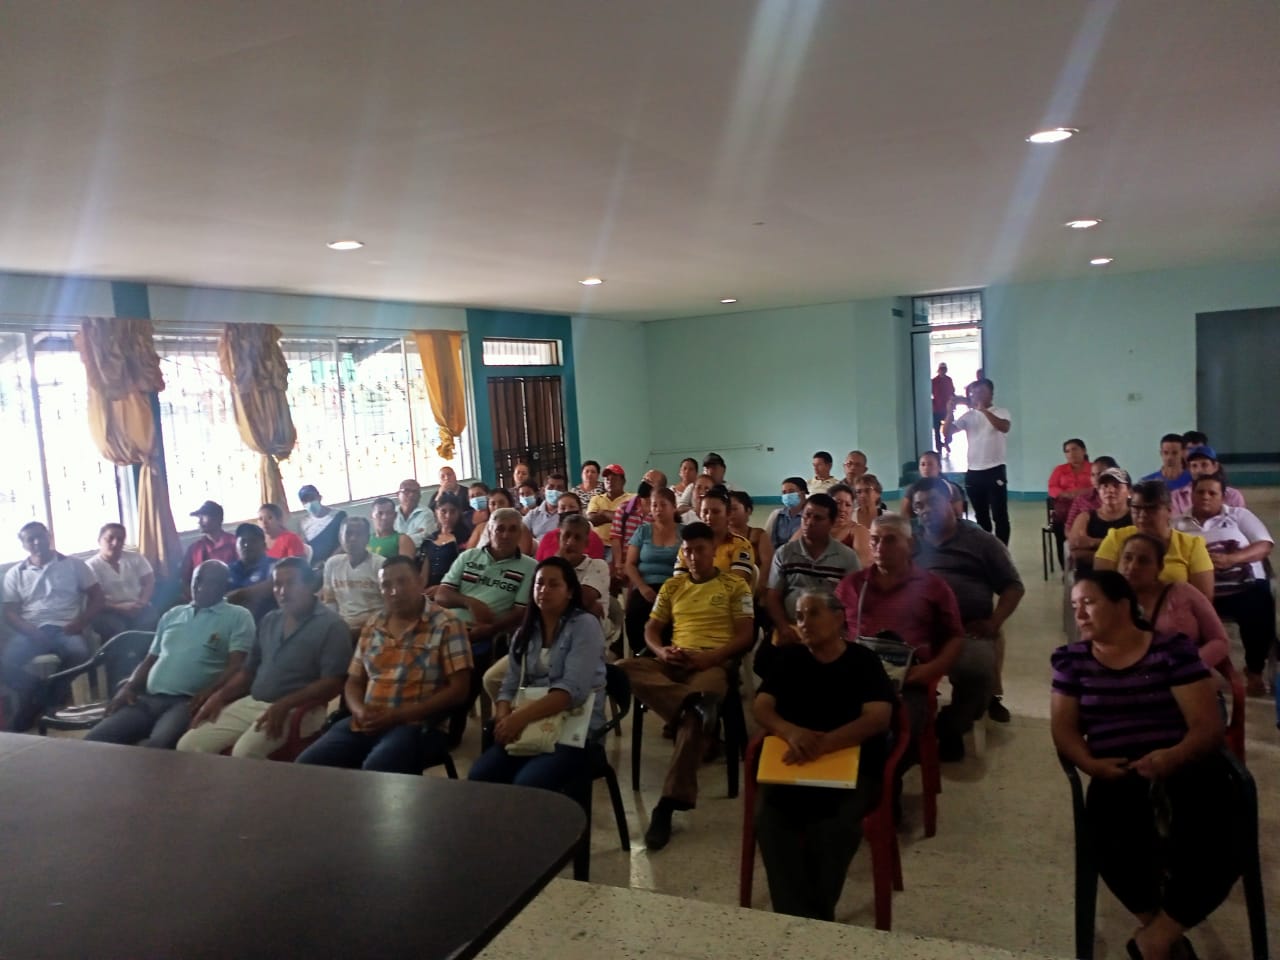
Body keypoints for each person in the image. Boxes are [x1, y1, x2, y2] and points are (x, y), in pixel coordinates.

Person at [1051, 571, 1236, 960]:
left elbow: (1206, 725)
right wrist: (1090, 764)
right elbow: (1064, 728)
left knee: (1224, 828)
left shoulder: (1171, 651)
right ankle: (1159, 930)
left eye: (1089, 603)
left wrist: (1174, 755)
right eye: (1074, 605)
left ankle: (1157, 937)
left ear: (1122, 605)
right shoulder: (1073, 661)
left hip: (1184, 761)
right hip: (1117, 770)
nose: (1079, 614)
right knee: (1110, 833)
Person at [753, 589, 895, 921]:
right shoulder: (789, 659)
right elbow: (761, 706)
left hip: (851, 765)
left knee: (834, 828)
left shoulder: (863, 661)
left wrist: (825, 743)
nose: (804, 623)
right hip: (794, 762)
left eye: (814, 613)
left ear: (838, 617)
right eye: (799, 616)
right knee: (771, 821)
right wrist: (790, 732)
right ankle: (796, 917)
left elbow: (878, 717)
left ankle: (814, 919)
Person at [621, 522, 755, 850]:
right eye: (688, 551)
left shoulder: (735, 586)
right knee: (621, 669)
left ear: (713, 551)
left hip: (712, 664)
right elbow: (652, 630)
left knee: (695, 717)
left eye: (700, 550)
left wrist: (710, 658)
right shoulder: (673, 586)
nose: (693, 557)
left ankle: (667, 805)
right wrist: (661, 651)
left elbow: (745, 636)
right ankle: (688, 702)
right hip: (673, 661)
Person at [296, 556, 472, 773]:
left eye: (402, 581)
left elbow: (459, 690)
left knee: (376, 772)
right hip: (367, 721)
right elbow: (354, 681)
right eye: (386, 585)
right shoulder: (374, 624)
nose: (394, 591)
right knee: (307, 765)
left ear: (420, 582)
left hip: (417, 725)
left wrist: (398, 715)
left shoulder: (448, 624)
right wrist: (359, 711)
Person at [176, 559, 351, 757]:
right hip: (254, 702)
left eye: (291, 583)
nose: (282, 591)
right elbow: (248, 672)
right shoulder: (269, 620)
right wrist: (218, 697)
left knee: (244, 753)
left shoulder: (332, 626)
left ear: (310, 585)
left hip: (300, 709)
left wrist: (286, 703)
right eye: (277, 584)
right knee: (189, 745)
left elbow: (333, 682)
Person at [834, 515, 968, 757]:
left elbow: (955, 637)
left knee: (895, 736)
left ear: (911, 544)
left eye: (890, 540)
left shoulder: (933, 587)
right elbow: (834, 629)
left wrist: (932, 669)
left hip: (908, 681)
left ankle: (881, 774)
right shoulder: (851, 585)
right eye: (874, 540)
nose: (879, 547)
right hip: (856, 676)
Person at [469, 557, 607, 791]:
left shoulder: (585, 625)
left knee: (528, 784)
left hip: (575, 730)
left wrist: (519, 718)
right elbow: (509, 685)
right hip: (530, 725)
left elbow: (571, 691)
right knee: (480, 775)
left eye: (554, 584)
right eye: (539, 583)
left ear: (570, 592)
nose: (544, 590)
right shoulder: (525, 632)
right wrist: (503, 717)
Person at [85, 560, 253, 749]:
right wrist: (129, 686)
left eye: (210, 581)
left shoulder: (238, 616)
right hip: (148, 698)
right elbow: (150, 659)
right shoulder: (173, 614)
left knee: (157, 748)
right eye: (197, 579)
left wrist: (211, 691)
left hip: (186, 703)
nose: (199, 586)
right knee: (94, 740)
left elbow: (237, 666)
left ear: (224, 586)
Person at [912, 477, 1024, 738]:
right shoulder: (911, 544)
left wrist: (994, 622)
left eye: (932, 502)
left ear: (951, 502)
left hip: (967, 629)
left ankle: (954, 723)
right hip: (918, 629)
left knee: (976, 671)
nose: (926, 510)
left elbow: (1013, 586)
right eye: (919, 506)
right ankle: (914, 722)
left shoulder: (981, 542)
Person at [480, 515, 610, 707]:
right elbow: (538, 603)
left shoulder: (597, 565)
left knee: (559, 684)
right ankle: (520, 711)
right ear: (558, 538)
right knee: (492, 679)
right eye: (566, 536)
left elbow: (581, 599)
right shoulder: (548, 568)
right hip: (540, 639)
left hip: (578, 639)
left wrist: (583, 602)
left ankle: (531, 712)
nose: (570, 542)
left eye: (577, 538)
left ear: (586, 542)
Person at [1173, 474, 1276, 696]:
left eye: (1212, 493)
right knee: (1179, 614)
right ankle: (1199, 671)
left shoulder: (1238, 516)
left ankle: (1254, 670)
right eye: (1200, 492)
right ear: (1191, 495)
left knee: (1260, 607)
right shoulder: (1178, 524)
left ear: (1223, 496)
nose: (1206, 497)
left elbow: (1264, 544)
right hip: (1199, 590)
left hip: (1242, 585)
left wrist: (1232, 559)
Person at [2, 522, 105, 731]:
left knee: (79, 654)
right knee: (5, 662)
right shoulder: (15, 573)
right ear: (23, 544)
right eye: (30, 539)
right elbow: (10, 612)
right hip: (32, 631)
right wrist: (28, 629)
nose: (37, 542)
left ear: (49, 537)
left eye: (40, 536)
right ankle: (42, 693)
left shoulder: (74, 565)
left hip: (65, 628)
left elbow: (98, 598)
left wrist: (81, 622)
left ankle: (35, 703)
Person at [761, 494, 859, 678]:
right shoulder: (785, 553)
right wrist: (783, 626)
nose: (809, 522)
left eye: (818, 518)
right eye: (807, 516)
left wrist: (839, 632)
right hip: (792, 629)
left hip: (829, 632)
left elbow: (853, 602)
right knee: (767, 662)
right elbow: (773, 595)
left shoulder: (846, 558)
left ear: (831, 523)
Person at [436, 508, 536, 668]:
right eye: (500, 529)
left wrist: (490, 629)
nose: (506, 535)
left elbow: (520, 612)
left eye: (512, 529)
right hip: (448, 627)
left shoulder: (530, 566)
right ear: (489, 532)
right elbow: (441, 595)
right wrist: (470, 603)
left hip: (487, 634)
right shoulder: (468, 556)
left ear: (519, 534)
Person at [1118, 534, 1231, 673]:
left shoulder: (1182, 592)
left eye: (1144, 561)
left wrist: (1185, 669)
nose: (1132, 566)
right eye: (1127, 558)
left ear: (1159, 567)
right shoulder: (1107, 600)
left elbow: (1220, 641)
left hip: (1188, 675)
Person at [1093, 480, 1214, 601]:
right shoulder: (1115, 538)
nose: (1142, 515)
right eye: (1136, 508)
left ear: (1169, 510)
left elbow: (1204, 599)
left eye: (1151, 509)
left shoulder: (1192, 545)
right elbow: (1101, 589)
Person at [944, 377, 1012, 545]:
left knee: (999, 515)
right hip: (974, 472)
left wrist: (984, 411)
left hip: (995, 470)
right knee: (981, 517)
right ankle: (986, 549)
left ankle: (1002, 550)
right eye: (973, 393)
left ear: (991, 394)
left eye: (981, 391)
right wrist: (949, 412)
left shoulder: (1001, 411)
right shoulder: (969, 416)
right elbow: (947, 432)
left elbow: (1004, 427)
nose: (976, 395)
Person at [623, 487, 683, 655]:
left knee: (674, 615)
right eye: (654, 505)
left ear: (674, 507)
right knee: (635, 613)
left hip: (674, 588)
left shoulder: (684, 532)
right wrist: (642, 588)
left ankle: (668, 653)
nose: (658, 509)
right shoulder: (643, 531)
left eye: (663, 505)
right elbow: (630, 564)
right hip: (646, 587)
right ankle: (643, 655)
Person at [86, 522, 156, 638]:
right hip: (108, 610)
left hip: (137, 606)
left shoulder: (135, 558)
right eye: (110, 538)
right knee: (118, 629)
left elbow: (149, 582)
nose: (115, 543)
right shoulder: (90, 566)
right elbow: (92, 599)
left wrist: (142, 603)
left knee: (149, 621)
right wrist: (118, 607)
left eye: (120, 539)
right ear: (99, 540)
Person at [322, 517, 386, 638]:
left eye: (359, 534)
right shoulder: (332, 564)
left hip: (375, 629)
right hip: (342, 629)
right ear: (340, 537)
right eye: (348, 533)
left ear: (367, 538)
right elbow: (330, 601)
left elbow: (389, 605)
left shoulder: (380, 565)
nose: (353, 539)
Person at [679, 485, 755, 585]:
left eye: (716, 512)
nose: (709, 517)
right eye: (705, 512)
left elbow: (736, 586)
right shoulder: (688, 545)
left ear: (728, 514)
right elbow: (678, 582)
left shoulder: (741, 545)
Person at [1067, 467, 1132, 571]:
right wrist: (1118, 554)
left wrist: (1092, 542)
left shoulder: (1136, 518)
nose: (1110, 490)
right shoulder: (1085, 518)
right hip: (1090, 576)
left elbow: (1139, 550)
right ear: (1098, 491)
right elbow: (1076, 552)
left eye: (1116, 486)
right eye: (1105, 486)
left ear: (1129, 491)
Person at [610, 470, 666, 577]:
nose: (644, 483)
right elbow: (615, 537)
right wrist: (618, 564)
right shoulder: (624, 508)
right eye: (643, 479)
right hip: (623, 566)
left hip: (648, 568)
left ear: (660, 489)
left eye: (649, 481)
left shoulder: (660, 514)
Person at [178, 500, 238, 592]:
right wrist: (194, 597)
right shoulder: (195, 548)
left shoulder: (234, 543)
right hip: (201, 596)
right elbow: (184, 579)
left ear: (218, 519)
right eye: (199, 517)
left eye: (204, 516)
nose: (199, 521)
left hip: (231, 594)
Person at [1169, 446, 1247, 516]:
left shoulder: (1233, 496)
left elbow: (1240, 523)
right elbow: (1174, 524)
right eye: (1194, 466)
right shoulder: (1177, 497)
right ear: (1189, 469)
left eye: (1204, 465)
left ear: (1215, 466)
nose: (1199, 470)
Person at [225, 523, 277, 623]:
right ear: (236, 546)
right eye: (243, 541)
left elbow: (271, 586)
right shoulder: (227, 570)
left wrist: (238, 595)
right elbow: (219, 600)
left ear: (264, 545)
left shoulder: (275, 566)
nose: (247, 545)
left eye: (253, 541)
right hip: (232, 624)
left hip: (266, 623)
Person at [1049, 439, 1092, 559]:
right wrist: (1065, 494)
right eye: (1067, 451)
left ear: (1084, 451)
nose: (1071, 453)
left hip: (1088, 508)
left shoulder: (1093, 468)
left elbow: (1099, 486)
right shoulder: (1059, 469)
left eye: (1074, 449)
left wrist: (1083, 493)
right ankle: (1064, 562)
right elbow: (1052, 488)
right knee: (1059, 524)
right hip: (1064, 510)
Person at [417, 494, 470, 587]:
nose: (448, 516)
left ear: (459, 513)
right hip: (429, 588)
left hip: (453, 587)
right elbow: (423, 574)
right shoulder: (429, 539)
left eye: (453, 511)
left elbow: (465, 570)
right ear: (436, 512)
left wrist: (442, 588)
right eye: (443, 511)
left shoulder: (464, 538)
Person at [812, 483, 870, 567]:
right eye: (837, 503)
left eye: (848, 505)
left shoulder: (859, 531)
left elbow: (862, 566)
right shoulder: (814, 527)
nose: (842, 509)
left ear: (852, 509)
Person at [535, 494, 607, 561]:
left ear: (580, 510)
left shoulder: (592, 538)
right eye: (563, 508)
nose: (567, 510)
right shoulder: (548, 537)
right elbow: (539, 563)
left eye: (572, 507)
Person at [728, 491, 773, 594]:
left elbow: (767, 565)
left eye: (734, 509)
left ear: (748, 510)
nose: (730, 513)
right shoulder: (720, 536)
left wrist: (756, 589)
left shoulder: (759, 535)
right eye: (727, 509)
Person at [1064, 455, 1122, 530]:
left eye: (1100, 474)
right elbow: (1068, 528)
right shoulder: (1081, 500)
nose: (1096, 478)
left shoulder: (1124, 498)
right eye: (1093, 475)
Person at [297, 485, 347, 567]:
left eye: (312, 498)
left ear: (319, 497)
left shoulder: (338, 515)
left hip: (338, 563)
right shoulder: (303, 522)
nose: (309, 503)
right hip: (315, 567)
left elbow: (344, 543)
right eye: (305, 501)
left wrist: (327, 562)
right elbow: (305, 547)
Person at [586, 464, 632, 550]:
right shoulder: (596, 499)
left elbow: (628, 519)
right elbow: (591, 519)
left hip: (622, 546)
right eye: (607, 479)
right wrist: (616, 517)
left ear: (623, 481)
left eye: (614, 479)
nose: (610, 481)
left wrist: (603, 513)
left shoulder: (631, 498)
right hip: (598, 544)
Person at [762, 477, 808, 551]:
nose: (787, 495)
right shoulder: (777, 515)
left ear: (802, 493)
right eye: (784, 492)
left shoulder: (810, 516)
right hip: (779, 555)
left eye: (791, 491)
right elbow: (768, 541)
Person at [525, 472, 569, 541]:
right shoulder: (533, 514)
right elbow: (521, 534)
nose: (555, 490)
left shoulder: (568, 513)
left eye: (559, 488)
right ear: (543, 491)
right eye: (551, 487)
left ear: (565, 492)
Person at [394, 478, 436, 548]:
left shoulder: (426, 513)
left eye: (415, 492)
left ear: (420, 496)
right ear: (398, 494)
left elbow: (425, 537)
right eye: (406, 491)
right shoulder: (391, 513)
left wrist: (396, 541)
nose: (411, 495)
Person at [931, 363, 956, 454]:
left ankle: (946, 443)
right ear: (938, 370)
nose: (943, 370)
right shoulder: (934, 381)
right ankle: (939, 448)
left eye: (944, 369)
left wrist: (953, 404)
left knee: (949, 429)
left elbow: (952, 393)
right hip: (936, 409)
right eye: (941, 369)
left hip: (947, 409)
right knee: (937, 430)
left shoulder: (949, 380)